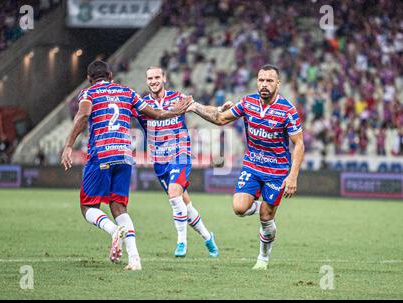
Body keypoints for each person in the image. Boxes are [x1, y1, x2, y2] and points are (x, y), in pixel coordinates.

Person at [61, 60, 192, 271]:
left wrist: (68, 145)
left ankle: (114, 230)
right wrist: (176, 111)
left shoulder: (88, 94)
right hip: (124, 156)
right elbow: (156, 114)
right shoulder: (127, 92)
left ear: (89, 78)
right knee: (119, 207)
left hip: (101, 155)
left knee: (87, 206)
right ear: (111, 75)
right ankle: (134, 260)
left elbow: (84, 114)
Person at [188, 65, 305, 270]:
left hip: (277, 172)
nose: (264, 85)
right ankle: (265, 206)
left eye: (269, 81)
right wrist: (194, 106)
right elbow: (221, 118)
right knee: (239, 208)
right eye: (261, 80)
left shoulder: (287, 110)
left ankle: (263, 258)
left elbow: (299, 144)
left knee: (266, 219)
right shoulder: (248, 102)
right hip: (252, 166)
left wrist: (293, 177)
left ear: (278, 83)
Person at [135, 66, 220, 258]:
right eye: (150, 78)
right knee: (185, 205)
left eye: (157, 77)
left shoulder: (178, 98)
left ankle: (181, 242)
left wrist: (220, 110)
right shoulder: (142, 104)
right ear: (147, 80)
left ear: (164, 78)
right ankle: (208, 237)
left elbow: (200, 109)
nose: (154, 81)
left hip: (180, 154)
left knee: (174, 195)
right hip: (159, 160)